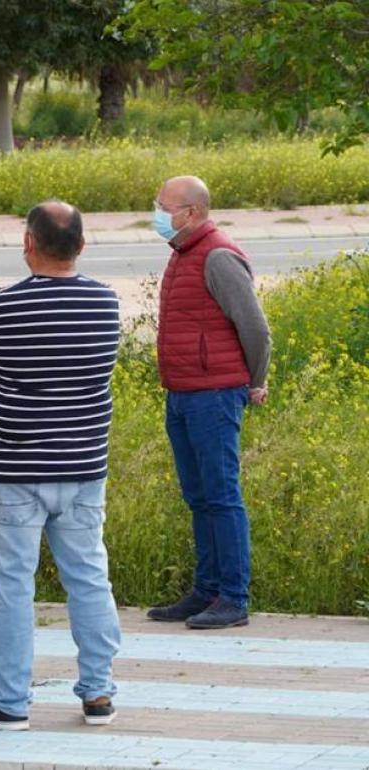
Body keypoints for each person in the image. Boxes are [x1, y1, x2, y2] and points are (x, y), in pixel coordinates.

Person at [0, 201, 122, 732]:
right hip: (83, 467)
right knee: (90, 580)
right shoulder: (105, 303)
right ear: (81, 247)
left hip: (14, 470)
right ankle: (98, 692)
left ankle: (9, 701)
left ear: (28, 244)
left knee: (11, 587)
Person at [147, 176, 271, 630]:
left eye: (164, 206)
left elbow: (256, 329)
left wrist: (254, 382)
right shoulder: (182, 253)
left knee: (221, 496)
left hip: (214, 394)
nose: (158, 213)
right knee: (198, 496)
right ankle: (206, 590)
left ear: (192, 212)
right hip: (182, 392)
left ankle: (232, 597)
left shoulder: (217, 255)